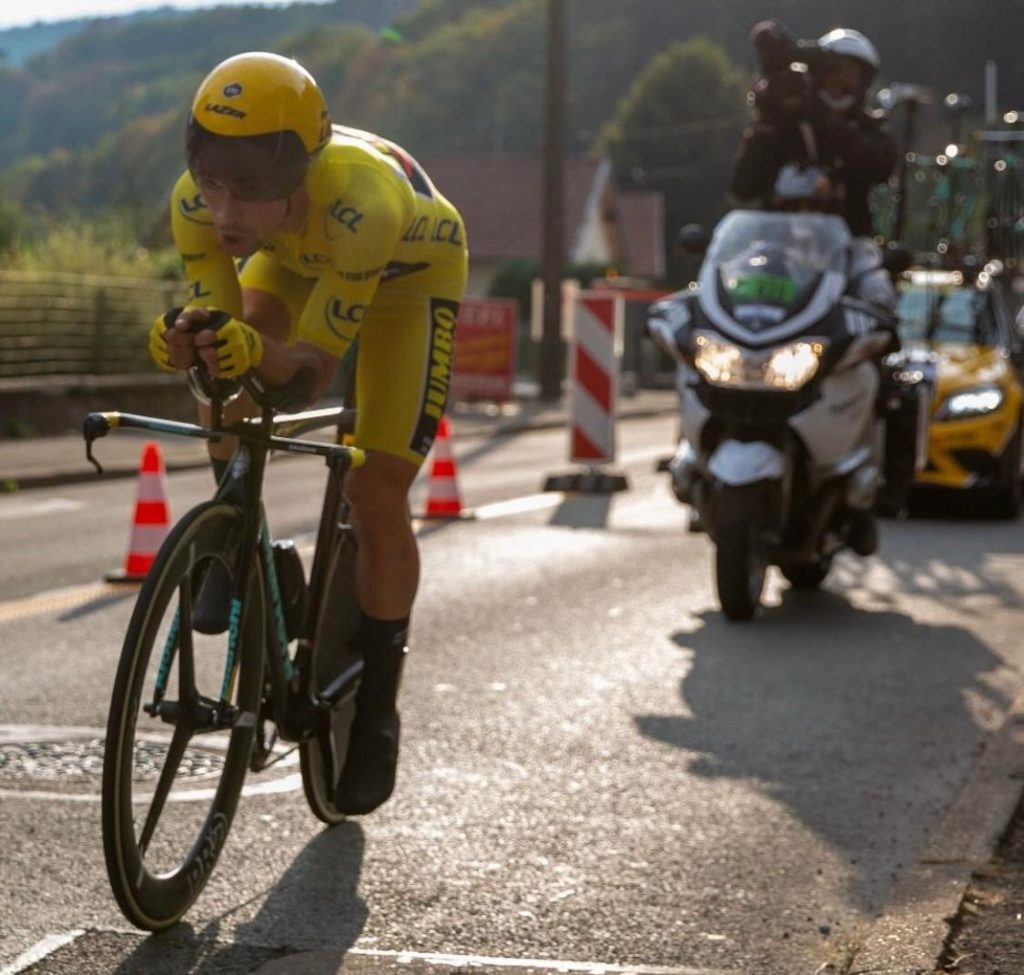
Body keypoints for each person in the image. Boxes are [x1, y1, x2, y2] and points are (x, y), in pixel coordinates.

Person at [148, 51, 468, 815]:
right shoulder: (195, 205)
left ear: (299, 173)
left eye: (251, 191)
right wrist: (192, 341)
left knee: (376, 483)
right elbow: (230, 337)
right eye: (214, 182)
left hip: (405, 278)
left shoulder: (364, 204)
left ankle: (380, 707)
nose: (225, 212)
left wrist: (264, 353)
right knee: (231, 365)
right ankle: (239, 532)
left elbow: (307, 370)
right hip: (295, 257)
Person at [730, 21, 898, 309]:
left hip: (849, 246)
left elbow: (880, 166)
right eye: (833, 73)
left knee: (877, 294)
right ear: (817, 75)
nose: (843, 83)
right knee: (734, 287)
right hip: (778, 248)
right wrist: (767, 123)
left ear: (864, 83)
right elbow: (743, 186)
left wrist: (820, 118)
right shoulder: (787, 121)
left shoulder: (870, 128)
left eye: (853, 75)